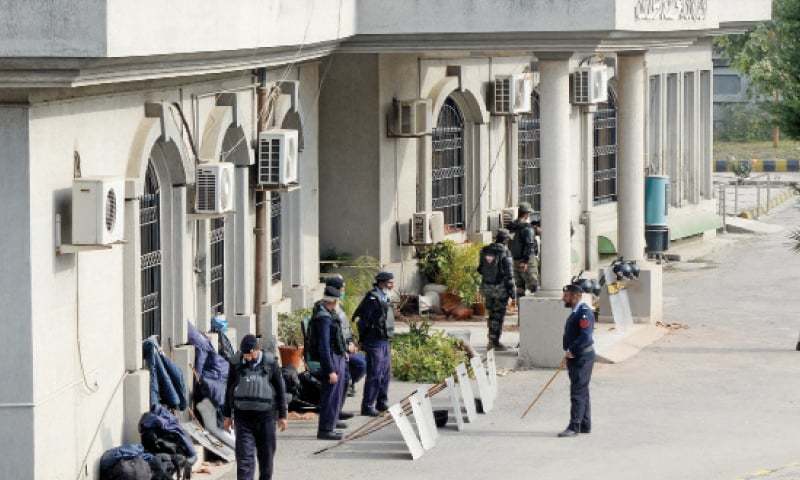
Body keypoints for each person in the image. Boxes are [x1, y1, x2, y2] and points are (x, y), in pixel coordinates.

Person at [223, 334, 288, 480]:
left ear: (256, 350)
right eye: (244, 354)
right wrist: (227, 416)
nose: (246, 357)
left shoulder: (271, 363)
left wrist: (283, 415)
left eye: (249, 354)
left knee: (266, 459)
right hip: (243, 417)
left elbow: (280, 390)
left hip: (266, 417)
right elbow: (229, 390)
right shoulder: (236, 363)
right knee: (244, 460)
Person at [308, 286, 349, 440]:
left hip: (336, 356)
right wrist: (330, 370)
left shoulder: (329, 314)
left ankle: (330, 426)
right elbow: (324, 346)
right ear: (333, 301)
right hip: (331, 359)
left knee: (336, 394)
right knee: (330, 396)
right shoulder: (323, 318)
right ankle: (325, 429)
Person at [353, 271, 396, 417]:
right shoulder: (372, 298)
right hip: (374, 341)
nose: (392, 285)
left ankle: (381, 402)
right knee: (375, 373)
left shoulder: (384, 296)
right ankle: (368, 406)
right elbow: (363, 321)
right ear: (382, 282)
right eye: (390, 282)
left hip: (384, 340)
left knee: (385, 373)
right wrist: (363, 341)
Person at [559, 284, 596, 438]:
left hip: (581, 357)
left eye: (566, 295)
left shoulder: (584, 313)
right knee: (582, 390)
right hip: (577, 356)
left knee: (577, 392)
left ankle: (574, 427)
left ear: (575, 297)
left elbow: (586, 337)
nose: (563, 298)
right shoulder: (576, 311)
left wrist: (571, 350)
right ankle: (584, 424)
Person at [478, 229, 515, 350]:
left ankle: (491, 339)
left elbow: (480, 269)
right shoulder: (505, 252)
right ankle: (494, 342)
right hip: (500, 289)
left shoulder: (485, 250)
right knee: (498, 316)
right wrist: (512, 292)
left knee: (491, 314)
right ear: (505, 240)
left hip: (487, 287)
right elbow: (509, 275)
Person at [508, 202, 540, 298]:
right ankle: (535, 311)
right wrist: (525, 261)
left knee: (519, 287)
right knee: (534, 286)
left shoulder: (511, 227)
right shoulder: (527, 228)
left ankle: (521, 310)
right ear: (526, 214)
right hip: (527, 261)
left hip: (515, 260)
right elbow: (529, 245)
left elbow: (509, 242)